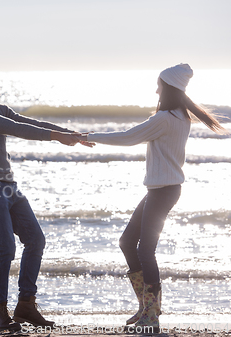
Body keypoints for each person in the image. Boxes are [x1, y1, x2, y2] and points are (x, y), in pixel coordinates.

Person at [78, 64, 228, 331]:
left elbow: (128, 137)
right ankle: (147, 307)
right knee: (127, 242)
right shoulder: (180, 116)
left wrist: (88, 136)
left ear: (168, 87)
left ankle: (152, 315)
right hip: (161, 190)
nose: (155, 88)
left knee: (145, 250)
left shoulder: (166, 118)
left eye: (159, 84)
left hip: (164, 190)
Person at [0, 58, 93, 332]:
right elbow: (15, 129)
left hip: (8, 186)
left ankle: (26, 305)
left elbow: (25, 121)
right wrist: (56, 137)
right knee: (6, 248)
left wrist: (71, 134)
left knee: (35, 240)